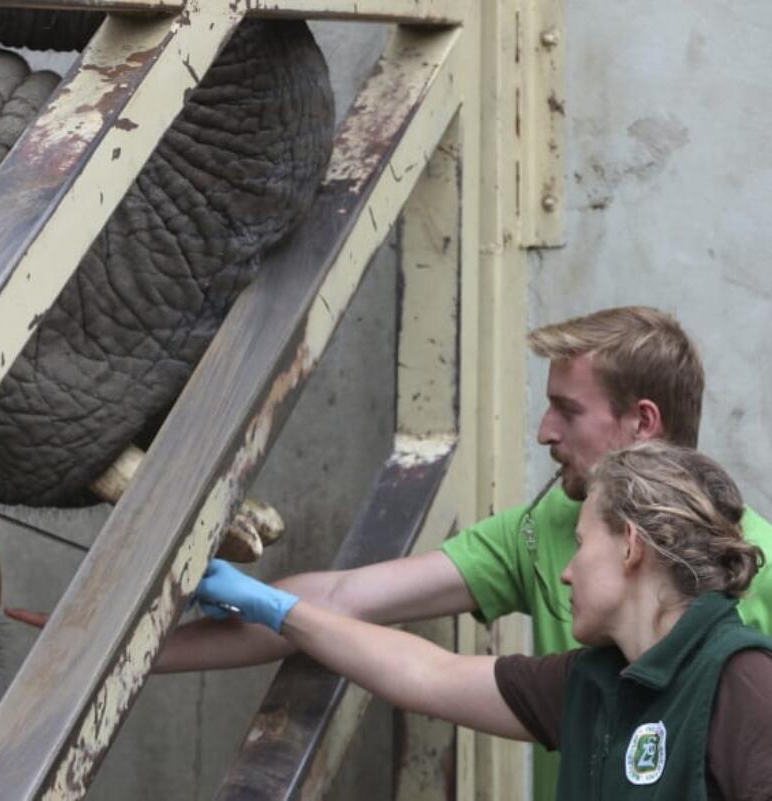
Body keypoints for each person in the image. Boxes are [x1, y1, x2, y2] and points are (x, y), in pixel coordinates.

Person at [153, 306, 772, 799]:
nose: (544, 432)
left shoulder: (743, 680)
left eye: (568, 409)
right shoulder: (583, 680)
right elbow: (416, 662)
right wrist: (151, 644)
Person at [192, 442, 772, 800]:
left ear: (630, 549)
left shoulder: (742, 684)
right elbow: (427, 673)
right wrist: (281, 611)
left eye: (580, 545)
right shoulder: (594, 681)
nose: (566, 573)